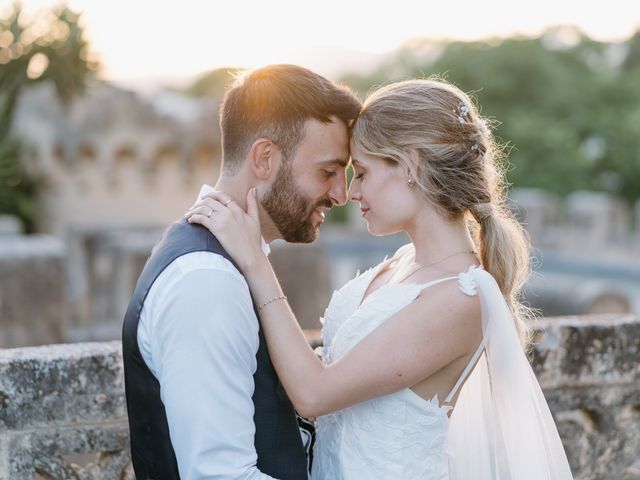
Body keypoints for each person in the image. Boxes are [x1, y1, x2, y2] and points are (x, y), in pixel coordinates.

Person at [185, 78, 574, 479]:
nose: (350, 192)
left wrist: (255, 262)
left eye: (364, 173)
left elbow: (315, 394)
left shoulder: (462, 297)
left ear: (410, 167)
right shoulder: (401, 265)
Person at [122, 64, 361, 480]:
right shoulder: (206, 281)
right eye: (327, 171)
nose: (341, 194)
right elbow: (220, 474)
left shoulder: (218, 259)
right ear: (264, 158)